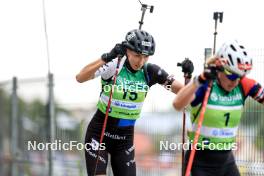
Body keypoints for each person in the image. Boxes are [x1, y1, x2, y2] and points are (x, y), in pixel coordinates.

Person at [76, 29, 194, 176]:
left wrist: (191, 79)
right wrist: (107, 57)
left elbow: (182, 91)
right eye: (137, 55)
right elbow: (80, 77)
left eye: (146, 57)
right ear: (127, 51)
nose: (141, 61)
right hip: (99, 134)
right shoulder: (115, 65)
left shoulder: (150, 72)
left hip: (124, 139)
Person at [173, 40, 264, 176]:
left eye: (240, 76)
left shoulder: (243, 85)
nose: (235, 81)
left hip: (227, 161)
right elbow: (177, 104)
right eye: (232, 75)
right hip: (200, 163)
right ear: (220, 68)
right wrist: (198, 80)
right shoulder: (206, 85)